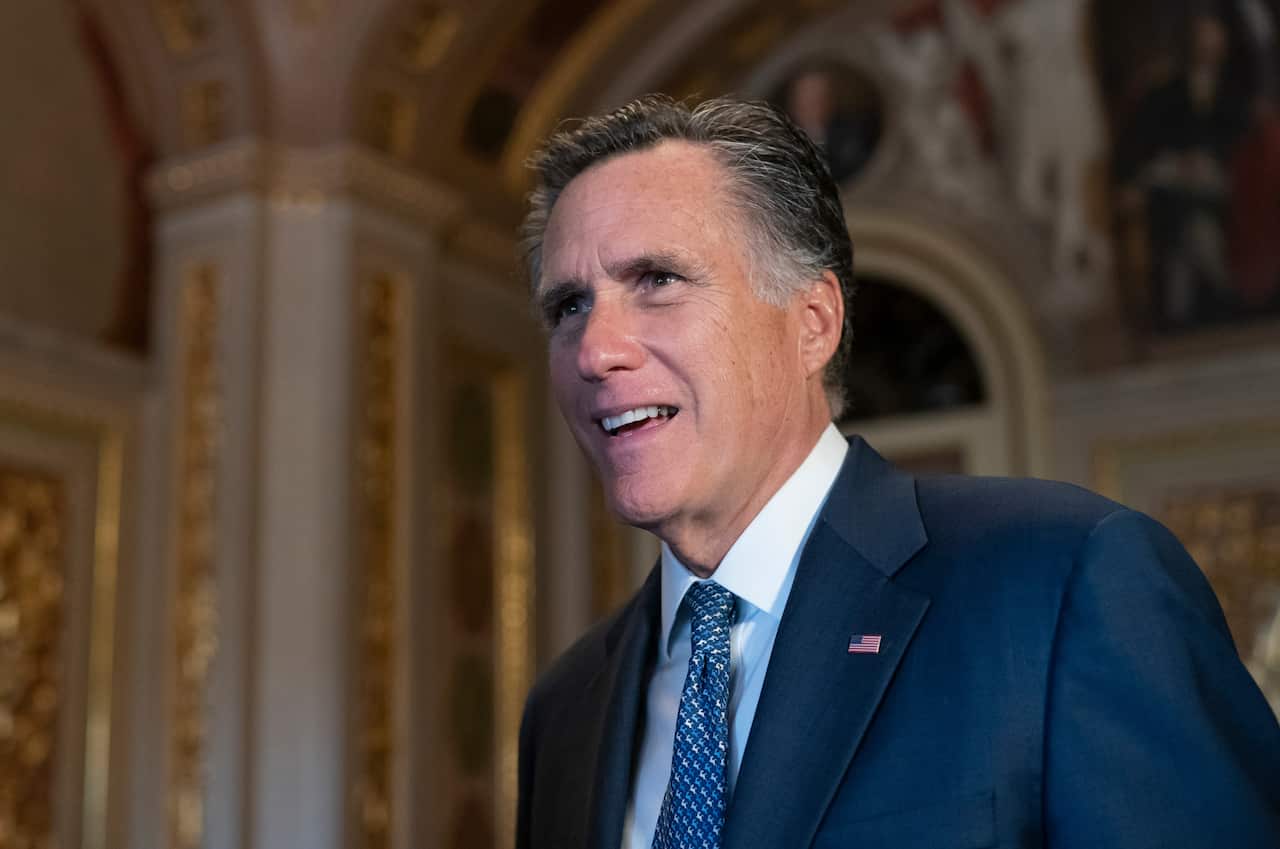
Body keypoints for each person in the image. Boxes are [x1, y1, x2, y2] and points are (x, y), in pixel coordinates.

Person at [515, 95, 1280, 849]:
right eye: (569, 306)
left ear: (813, 322)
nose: (595, 350)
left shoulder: (1063, 581)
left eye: (657, 280)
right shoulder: (565, 710)